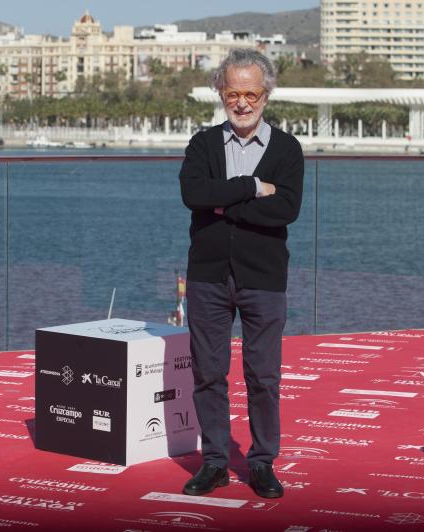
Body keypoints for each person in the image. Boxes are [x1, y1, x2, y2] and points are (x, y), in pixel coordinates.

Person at [178, 48, 304, 499]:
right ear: (221, 93)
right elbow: (193, 195)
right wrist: (251, 187)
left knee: (263, 377)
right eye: (233, 92)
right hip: (209, 277)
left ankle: (263, 461)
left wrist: (223, 202)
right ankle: (214, 461)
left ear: (266, 95)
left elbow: (286, 210)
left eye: (251, 92)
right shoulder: (202, 144)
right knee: (209, 373)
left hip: (264, 279)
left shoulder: (287, 149)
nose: (242, 102)